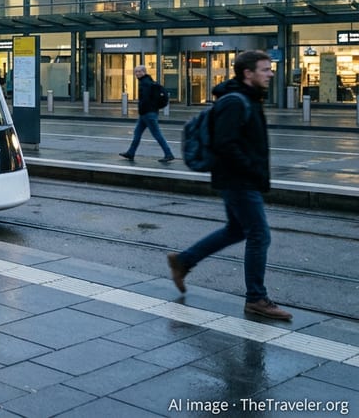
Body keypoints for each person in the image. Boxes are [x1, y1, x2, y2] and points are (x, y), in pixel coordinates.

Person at [166, 50, 291, 321]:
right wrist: (253, 169)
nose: (270, 74)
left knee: (236, 229)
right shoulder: (235, 102)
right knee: (259, 234)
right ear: (248, 73)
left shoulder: (248, 98)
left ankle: (184, 261)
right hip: (239, 181)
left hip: (240, 179)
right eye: (265, 69)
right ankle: (256, 298)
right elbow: (226, 144)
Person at [119, 65, 176, 163]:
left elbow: (145, 99)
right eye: (135, 72)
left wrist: (143, 108)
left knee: (157, 134)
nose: (137, 73)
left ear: (144, 72)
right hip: (147, 113)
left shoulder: (144, 83)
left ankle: (168, 154)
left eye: (139, 71)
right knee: (137, 133)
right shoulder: (148, 81)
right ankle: (131, 153)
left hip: (148, 113)